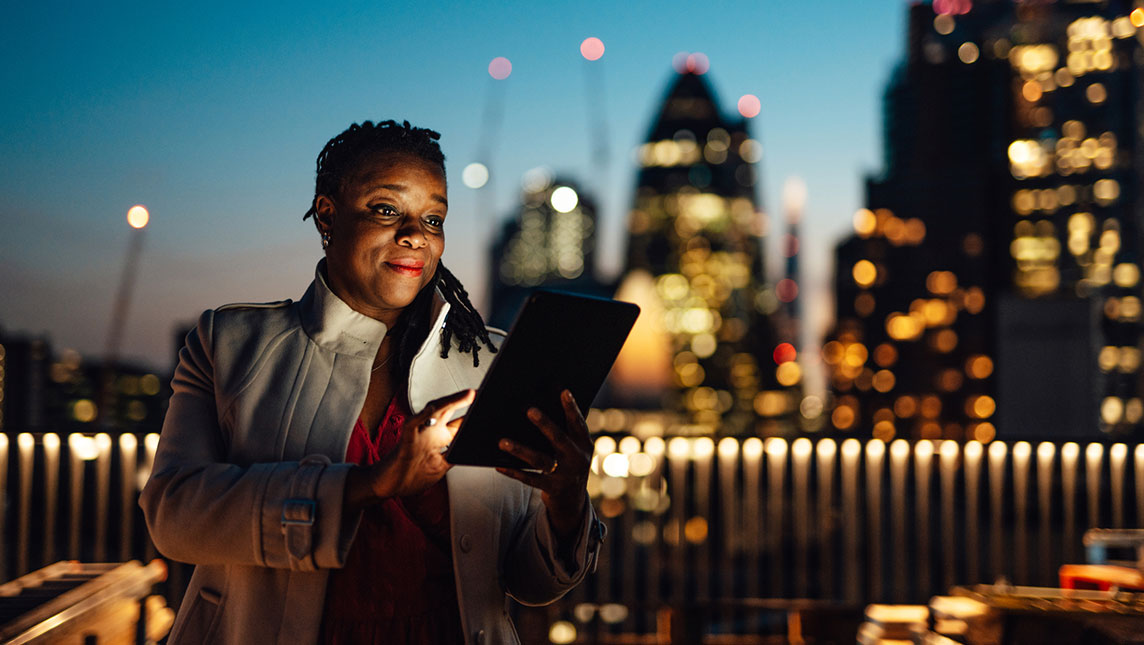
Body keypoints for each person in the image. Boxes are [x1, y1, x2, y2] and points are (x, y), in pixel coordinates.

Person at [140, 120, 604, 644]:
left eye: (434, 218)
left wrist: (565, 505)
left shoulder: (492, 361)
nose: (416, 235)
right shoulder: (229, 344)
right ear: (327, 215)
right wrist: (371, 485)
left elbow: (529, 583)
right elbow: (174, 516)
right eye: (387, 210)